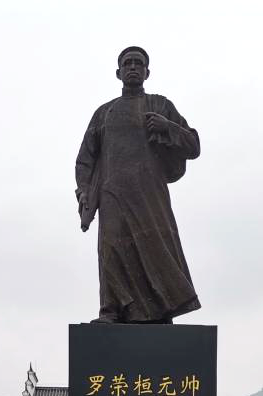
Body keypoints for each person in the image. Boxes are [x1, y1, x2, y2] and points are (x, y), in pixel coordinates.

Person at [75, 46, 201, 324]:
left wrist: (168, 127)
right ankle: (111, 310)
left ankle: (162, 309)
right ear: (118, 72)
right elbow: (85, 159)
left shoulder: (160, 105)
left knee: (156, 248)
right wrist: (84, 191)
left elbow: (193, 145)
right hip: (112, 193)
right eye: (128, 63)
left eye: (139, 63)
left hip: (149, 193)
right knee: (112, 249)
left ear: (147, 72)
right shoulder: (103, 113)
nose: (133, 67)